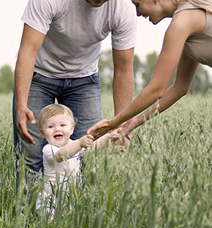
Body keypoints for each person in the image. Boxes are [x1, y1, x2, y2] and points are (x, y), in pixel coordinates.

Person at [13, 0, 137, 179]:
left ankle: (73, 207)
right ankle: (33, 207)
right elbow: (28, 51)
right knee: (30, 159)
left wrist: (123, 124)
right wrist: (21, 104)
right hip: (38, 77)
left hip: (84, 81)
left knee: (86, 158)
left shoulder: (122, 10)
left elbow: (124, 69)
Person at [87, 0, 212, 140]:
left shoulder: (182, 21)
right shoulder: (187, 19)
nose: (137, 13)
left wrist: (113, 122)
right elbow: (180, 87)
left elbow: (156, 89)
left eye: (137, 4)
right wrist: (135, 121)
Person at [35, 104, 121, 216]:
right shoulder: (48, 149)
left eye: (62, 125)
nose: (57, 129)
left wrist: (109, 137)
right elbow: (61, 155)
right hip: (52, 201)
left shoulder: (73, 145)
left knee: (69, 225)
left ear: (71, 129)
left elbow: (93, 147)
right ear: (42, 133)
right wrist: (80, 143)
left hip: (70, 199)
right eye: (51, 126)